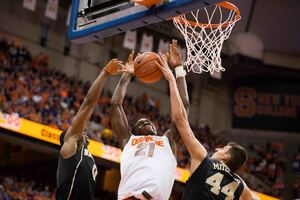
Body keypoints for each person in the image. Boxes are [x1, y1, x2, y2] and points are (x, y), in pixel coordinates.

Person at [156, 53, 260, 200]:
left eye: (223, 149)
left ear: (226, 156)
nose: (217, 148)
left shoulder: (204, 160)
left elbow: (179, 120)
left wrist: (173, 77)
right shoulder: (241, 187)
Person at [111, 40, 189, 200]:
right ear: (133, 131)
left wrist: (178, 70)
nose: (146, 121)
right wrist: (127, 75)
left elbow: (184, 106)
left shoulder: (169, 139)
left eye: (148, 122)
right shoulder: (128, 140)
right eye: (140, 122)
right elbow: (115, 105)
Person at [56, 58, 123, 200]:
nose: (83, 131)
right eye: (78, 131)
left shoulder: (86, 154)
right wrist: (105, 73)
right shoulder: (70, 148)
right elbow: (88, 105)